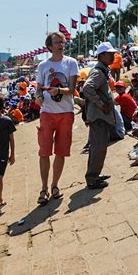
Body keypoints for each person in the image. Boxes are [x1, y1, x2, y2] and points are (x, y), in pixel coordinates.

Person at [35, 32, 79, 203]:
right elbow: (39, 88)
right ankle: (43, 188)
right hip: (47, 113)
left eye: (62, 41)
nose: (61, 44)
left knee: (61, 151)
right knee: (44, 152)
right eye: (57, 41)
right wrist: (38, 96)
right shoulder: (43, 65)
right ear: (50, 45)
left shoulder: (71, 63)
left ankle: (55, 185)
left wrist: (59, 91)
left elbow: (72, 89)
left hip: (66, 112)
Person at [82, 42, 117, 189]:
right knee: (98, 147)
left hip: (99, 116)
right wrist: (101, 104)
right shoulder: (98, 72)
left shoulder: (102, 70)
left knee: (99, 147)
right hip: (99, 116)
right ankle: (93, 178)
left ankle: (94, 174)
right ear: (101, 56)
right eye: (110, 54)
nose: (113, 56)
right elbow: (87, 88)